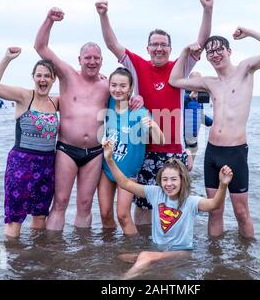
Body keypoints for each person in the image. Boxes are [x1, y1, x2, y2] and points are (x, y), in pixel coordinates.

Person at [95, 0, 213, 225]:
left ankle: (172, 253)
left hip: (173, 149)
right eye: (154, 45)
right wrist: (104, 15)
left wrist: (207, 9)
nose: (159, 48)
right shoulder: (137, 65)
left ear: (170, 48)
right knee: (144, 206)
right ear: (147, 48)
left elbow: (200, 43)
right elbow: (112, 44)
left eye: (163, 45)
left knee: (175, 205)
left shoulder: (179, 67)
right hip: (145, 150)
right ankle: (143, 249)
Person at [169, 28, 260, 238]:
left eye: (218, 49)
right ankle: (216, 264)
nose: (215, 54)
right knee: (215, 211)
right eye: (210, 52)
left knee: (241, 212)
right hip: (213, 153)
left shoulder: (245, 69)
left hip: (236, 153)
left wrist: (249, 32)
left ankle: (245, 262)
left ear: (229, 51)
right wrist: (186, 51)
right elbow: (175, 80)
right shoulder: (209, 83)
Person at [34, 7, 143, 231]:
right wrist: (49, 20)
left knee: (84, 205)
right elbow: (40, 47)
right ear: (79, 59)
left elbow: (125, 92)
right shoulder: (67, 75)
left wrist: (138, 98)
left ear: (102, 61)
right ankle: (52, 252)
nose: (92, 62)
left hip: (94, 152)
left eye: (96, 58)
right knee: (61, 202)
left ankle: (84, 255)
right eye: (88, 58)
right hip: (66, 149)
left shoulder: (107, 85)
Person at [103, 140, 233, 279]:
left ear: (182, 180)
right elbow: (125, 183)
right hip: (159, 249)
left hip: (182, 253)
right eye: (165, 179)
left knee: (145, 256)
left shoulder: (191, 202)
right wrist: (109, 159)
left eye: (173, 179)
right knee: (121, 257)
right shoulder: (156, 193)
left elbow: (214, 204)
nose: (169, 184)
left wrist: (223, 184)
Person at [0, 47, 59, 237]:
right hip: (22, 164)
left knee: (40, 215)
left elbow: (82, 99)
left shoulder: (56, 102)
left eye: (47, 76)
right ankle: (12, 259)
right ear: (33, 77)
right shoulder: (24, 96)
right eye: (39, 75)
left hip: (48, 165)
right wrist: (6, 58)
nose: (43, 79)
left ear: (54, 79)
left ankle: (36, 257)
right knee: (14, 217)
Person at [98, 67, 164, 235]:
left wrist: (152, 127)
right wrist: (99, 76)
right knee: (105, 214)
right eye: (113, 85)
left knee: (123, 215)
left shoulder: (140, 112)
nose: (117, 90)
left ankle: (133, 251)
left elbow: (160, 140)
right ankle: (109, 249)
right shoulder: (109, 103)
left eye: (122, 86)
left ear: (130, 88)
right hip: (107, 169)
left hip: (128, 173)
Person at [184, 71, 213, 170]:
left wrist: (214, 122)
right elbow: (177, 104)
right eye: (194, 81)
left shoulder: (199, 98)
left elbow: (200, 116)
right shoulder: (183, 94)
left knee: (189, 170)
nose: (197, 83)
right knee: (181, 169)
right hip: (184, 141)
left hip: (194, 139)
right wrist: (189, 96)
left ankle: (189, 185)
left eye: (199, 81)